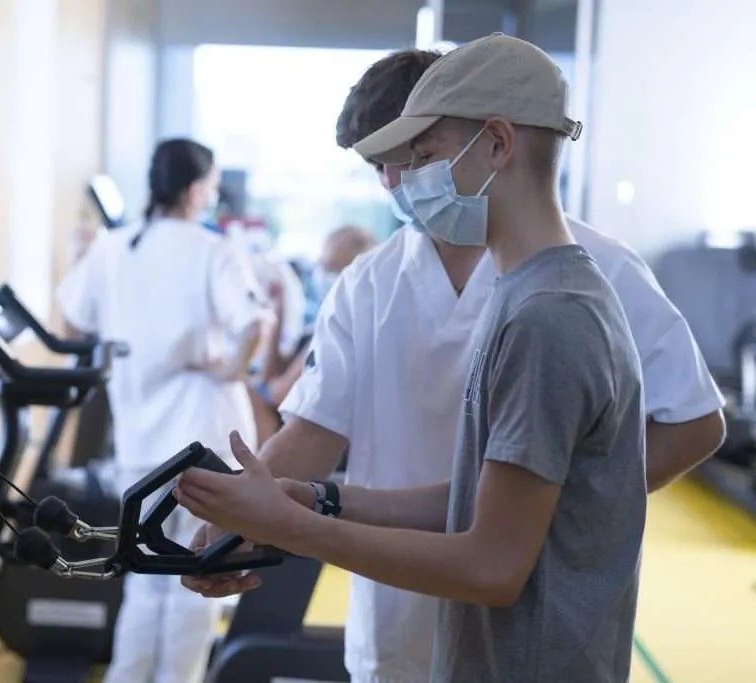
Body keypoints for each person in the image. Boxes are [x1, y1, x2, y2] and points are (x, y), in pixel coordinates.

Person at [179, 34, 726, 682]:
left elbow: (494, 557)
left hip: (527, 634)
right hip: (410, 634)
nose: (396, 180)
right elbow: (352, 448)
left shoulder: (564, 298)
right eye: (378, 164)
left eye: (418, 154)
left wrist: (569, 502)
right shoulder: (379, 284)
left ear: (492, 141)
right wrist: (263, 514)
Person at [57, 138, 269, 683]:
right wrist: (231, 369)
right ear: (197, 188)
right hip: (206, 437)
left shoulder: (114, 247)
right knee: (199, 577)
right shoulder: (212, 249)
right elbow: (257, 323)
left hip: (141, 444)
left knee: (144, 581)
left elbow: (73, 322)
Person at [249, 225, 377, 444]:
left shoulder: (346, 331)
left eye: (332, 269)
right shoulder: (318, 328)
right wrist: (278, 310)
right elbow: (271, 377)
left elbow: (276, 394)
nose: (323, 276)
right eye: (322, 267)